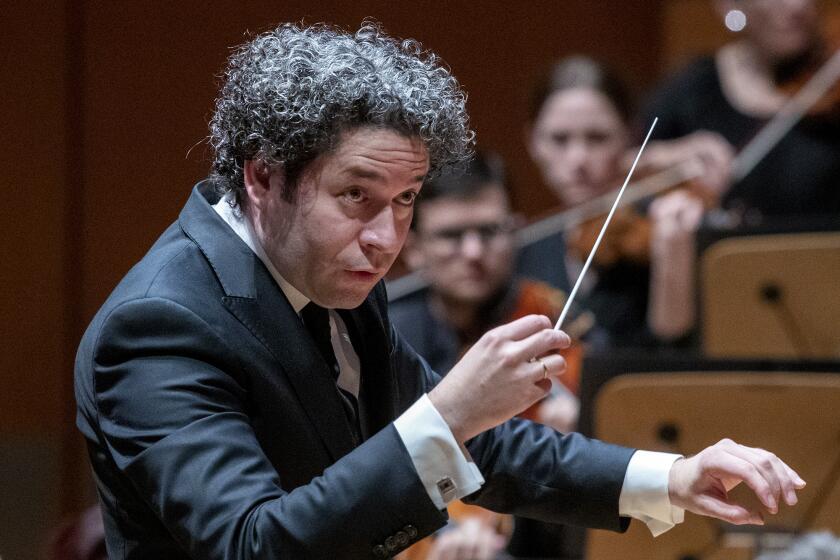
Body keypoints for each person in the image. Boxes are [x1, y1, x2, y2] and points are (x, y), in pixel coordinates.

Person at [75, 22, 805, 560]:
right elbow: (254, 545)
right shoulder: (160, 325)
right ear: (263, 176)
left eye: (405, 200)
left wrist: (670, 477)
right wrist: (450, 411)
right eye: (356, 195)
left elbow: (483, 445)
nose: (387, 237)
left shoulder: (324, 273)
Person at [391, 152, 588, 559]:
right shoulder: (389, 339)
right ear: (413, 248)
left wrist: (584, 425)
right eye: (450, 236)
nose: (474, 252)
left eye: (490, 231)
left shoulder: (551, 318)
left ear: (515, 230)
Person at [520, 55, 711, 345]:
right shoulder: (527, 245)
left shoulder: (658, 222)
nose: (578, 159)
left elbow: (671, 349)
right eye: (559, 139)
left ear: (630, 135)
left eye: (597, 138)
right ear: (533, 141)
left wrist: (673, 252)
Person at [640, 0, 840, 220]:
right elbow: (623, 166)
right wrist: (670, 157)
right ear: (730, 4)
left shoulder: (831, 78)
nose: (797, 5)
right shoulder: (694, 89)